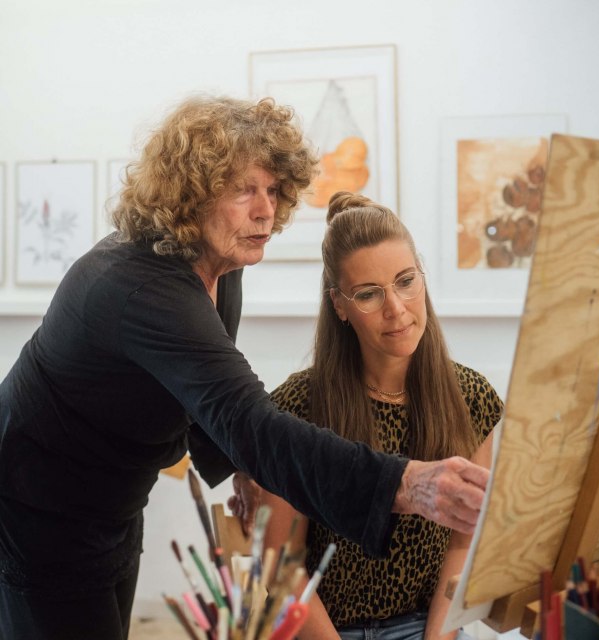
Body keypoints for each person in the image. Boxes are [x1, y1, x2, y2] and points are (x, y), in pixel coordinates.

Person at [0, 95, 491, 640]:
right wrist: (407, 481)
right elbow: (252, 420)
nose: (265, 210)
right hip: (37, 505)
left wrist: (238, 465)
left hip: (112, 504)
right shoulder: (141, 288)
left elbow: (198, 389)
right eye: (243, 191)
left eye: (272, 190)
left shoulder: (220, 263)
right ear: (190, 195)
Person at [261, 192, 504, 640]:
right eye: (369, 294)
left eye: (406, 281)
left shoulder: (473, 399)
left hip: (424, 624)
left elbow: (463, 546)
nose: (396, 309)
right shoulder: (296, 408)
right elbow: (282, 565)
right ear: (340, 305)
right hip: (327, 630)